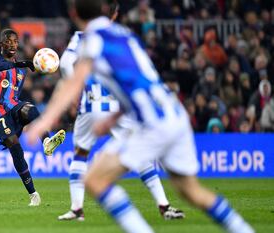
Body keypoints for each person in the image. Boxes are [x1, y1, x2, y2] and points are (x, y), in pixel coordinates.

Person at [27, 1, 254, 232]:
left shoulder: (90, 38)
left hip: (152, 124)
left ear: (73, 13)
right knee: (192, 192)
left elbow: (74, 80)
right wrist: (114, 117)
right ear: (110, 12)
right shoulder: (125, 35)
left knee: (95, 179)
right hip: (173, 113)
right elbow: (139, 82)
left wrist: (44, 121)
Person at [57, 1, 184, 221]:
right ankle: (164, 205)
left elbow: (65, 63)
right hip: (118, 105)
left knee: (81, 153)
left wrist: (76, 88)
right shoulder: (122, 34)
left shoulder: (82, 36)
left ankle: (77, 209)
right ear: (114, 14)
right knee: (139, 153)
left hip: (91, 102)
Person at [0, 28, 66, 206]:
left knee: (31, 109)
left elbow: (14, 92)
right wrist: (18, 64)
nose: (12, 44)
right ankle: (33, 194)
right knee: (15, 147)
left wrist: (22, 65)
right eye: (8, 41)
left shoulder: (21, 71)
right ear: (1, 44)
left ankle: (47, 142)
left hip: (13, 105)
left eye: (15, 41)